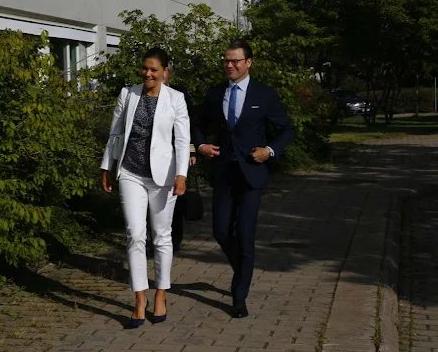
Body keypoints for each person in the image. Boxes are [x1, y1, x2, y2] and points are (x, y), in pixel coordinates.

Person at [195, 39, 294, 318]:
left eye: (236, 61)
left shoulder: (264, 95)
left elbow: (286, 130)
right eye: (226, 60)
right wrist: (200, 146)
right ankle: (244, 268)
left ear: (248, 63)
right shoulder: (215, 94)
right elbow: (196, 125)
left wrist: (270, 150)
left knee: (246, 235)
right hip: (223, 172)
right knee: (221, 230)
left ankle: (239, 296)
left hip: (252, 174)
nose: (230, 65)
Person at [100, 47, 190, 328]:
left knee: (162, 236)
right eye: (144, 68)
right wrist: (106, 166)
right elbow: (115, 132)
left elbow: (181, 140)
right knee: (135, 234)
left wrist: (182, 174)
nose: (148, 74)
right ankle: (139, 298)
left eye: (154, 69)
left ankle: (161, 293)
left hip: (163, 177)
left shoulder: (176, 99)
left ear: (165, 72)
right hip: (130, 172)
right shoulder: (128, 95)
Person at [162, 67, 197, 253]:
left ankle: (175, 238)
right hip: (155, 156)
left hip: (178, 152)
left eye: (165, 70)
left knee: (177, 198)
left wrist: (191, 151)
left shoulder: (179, 94)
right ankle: (155, 240)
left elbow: (189, 124)